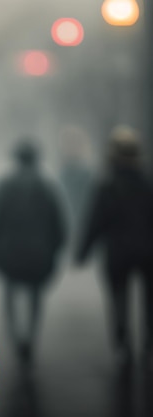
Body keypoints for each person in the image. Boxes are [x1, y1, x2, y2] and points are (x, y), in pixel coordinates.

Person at [0, 138, 67, 364]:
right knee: (35, 294)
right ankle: (31, 336)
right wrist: (56, 249)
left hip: (9, 254)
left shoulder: (2, 186)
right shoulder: (48, 186)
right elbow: (59, 223)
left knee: (9, 292)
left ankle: (16, 337)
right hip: (40, 253)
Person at [75, 125, 153, 369]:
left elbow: (95, 222)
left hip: (118, 253)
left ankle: (123, 347)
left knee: (119, 300)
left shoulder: (106, 186)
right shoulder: (147, 184)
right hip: (148, 252)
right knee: (149, 302)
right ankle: (149, 347)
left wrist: (82, 252)